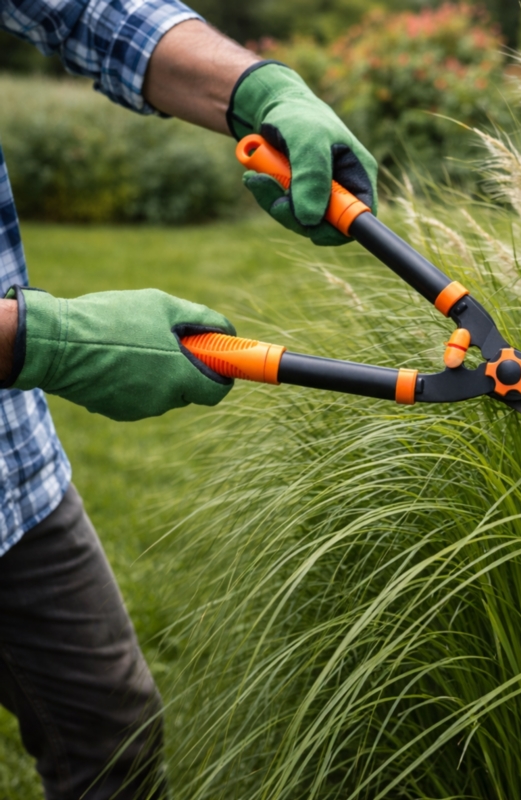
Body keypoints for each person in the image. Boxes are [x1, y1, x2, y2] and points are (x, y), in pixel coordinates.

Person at [0, 2, 378, 797]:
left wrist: (260, 91)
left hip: (10, 475)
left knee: (113, 735)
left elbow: (91, 9)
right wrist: (49, 340)